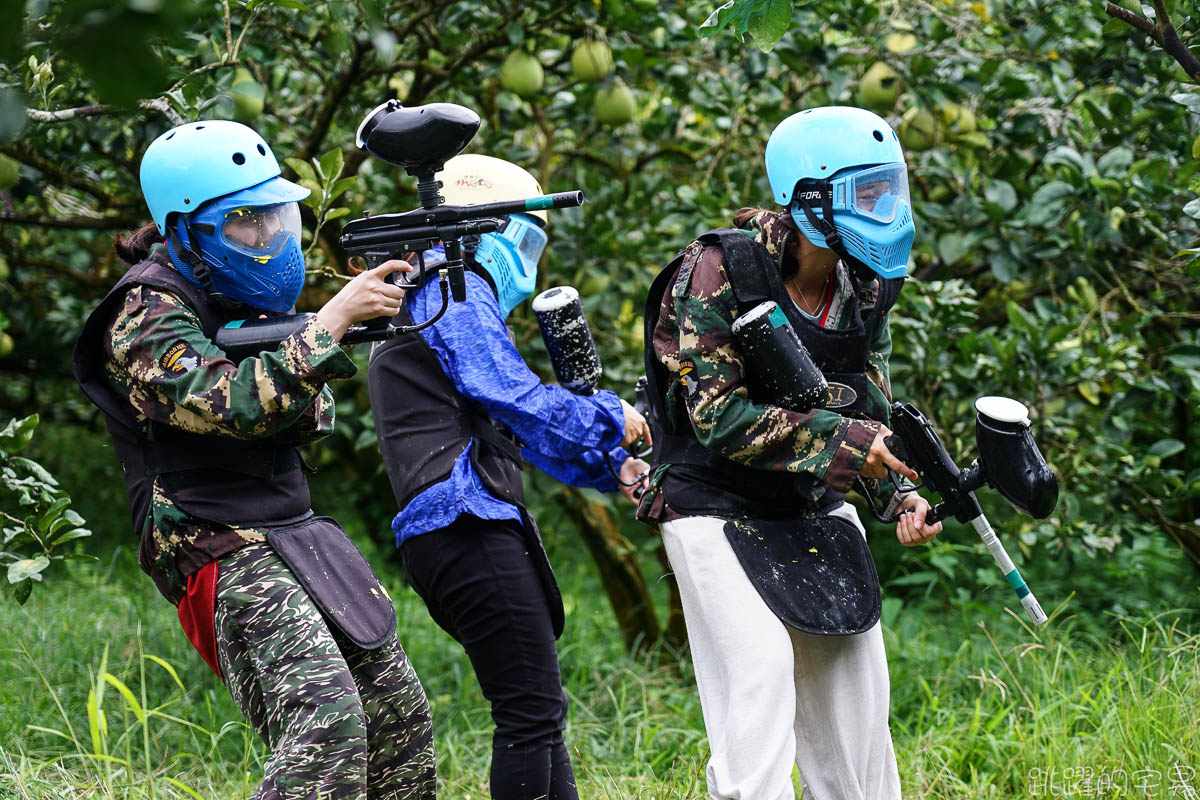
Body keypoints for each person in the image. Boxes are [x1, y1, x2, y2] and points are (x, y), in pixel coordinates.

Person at [73, 120, 436, 800]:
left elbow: (308, 420)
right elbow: (223, 405)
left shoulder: (237, 303)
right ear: (184, 232)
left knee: (398, 720)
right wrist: (327, 327)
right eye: (245, 223)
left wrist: (331, 332)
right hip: (211, 540)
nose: (268, 238)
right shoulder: (145, 312)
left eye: (275, 218)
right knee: (325, 726)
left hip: (291, 529)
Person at [636, 106, 943, 800]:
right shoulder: (719, 268)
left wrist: (901, 495)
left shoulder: (866, 285)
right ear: (812, 197)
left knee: (858, 711)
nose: (887, 208)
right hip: (709, 501)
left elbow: (871, 413)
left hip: (810, 500)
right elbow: (715, 416)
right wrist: (848, 445)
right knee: (759, 685)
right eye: (869, 194)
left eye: (889, 188)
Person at [367, 153, 651, 800]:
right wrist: (615, 416)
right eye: (520, 237)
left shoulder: (434, 294)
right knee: (528, 717)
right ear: (478, 228)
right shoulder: (450, 288)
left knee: (540, 717)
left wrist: (615, 467)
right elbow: (511, 394)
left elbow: (510, 425)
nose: (527, 259)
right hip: (465, 526)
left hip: (465, 526)